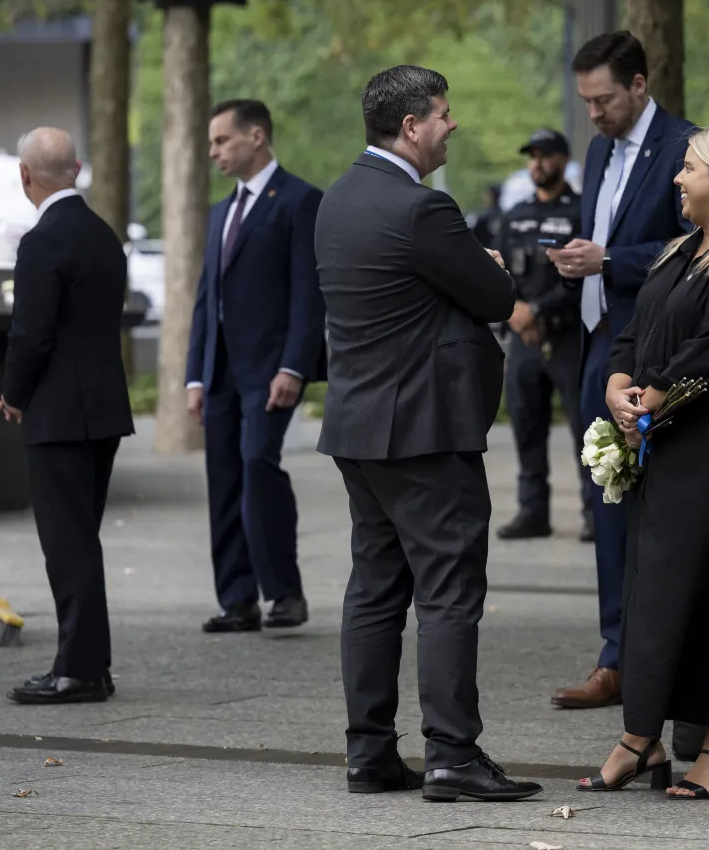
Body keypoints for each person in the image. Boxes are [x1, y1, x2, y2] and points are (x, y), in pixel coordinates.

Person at [315, 65, 541, 802]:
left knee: (375, 590)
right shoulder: (423, 210)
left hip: (358, 426)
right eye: (444, 114)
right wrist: (488, 266)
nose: (452, 124)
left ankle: (369, 752)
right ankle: (452, 754)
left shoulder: (337, 200)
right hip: (425, 429)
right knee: (448, 592)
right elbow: (497, 297)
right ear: (410, 126)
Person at [575, 126, 709, 800]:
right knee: (654, 589)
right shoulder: (678, 250)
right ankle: (643, 737)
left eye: (690, 169)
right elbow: (633, 331)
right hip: (666, 436)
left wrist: (647, 404)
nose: (678, 178)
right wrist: (618, 383)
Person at [547, 30, 695, 710]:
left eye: (603, 99)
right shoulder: (600, 149)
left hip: (655, 352)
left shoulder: (686, 149)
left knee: (659, 508)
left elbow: (694, 245)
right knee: (604, 500)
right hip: (593, 346)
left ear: (639, 85)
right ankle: (616, 655)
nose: (593, 115)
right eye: (585, 102)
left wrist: (610, 260)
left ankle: (663, 655)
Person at [1, 127, 134, 705]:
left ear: (25, 176)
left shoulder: (43, 240)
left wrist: (14, 393)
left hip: (58, 415)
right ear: (76, 169)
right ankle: (90, 664)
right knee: (83, 539)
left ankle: (78, 669)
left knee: (67, 544)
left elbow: (31, 333)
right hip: (104, 410)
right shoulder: (104, 235)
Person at [186, 99, 324, 634]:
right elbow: (207, 298)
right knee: (222, 477)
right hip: (219, 371)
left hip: (269, 371)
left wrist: (294, 365)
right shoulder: (219, 213)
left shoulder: (298, 200)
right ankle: (237, 599)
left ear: (257, 136)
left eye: (222, 140)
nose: (214, 151)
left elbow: (307, 296)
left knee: (256, 467)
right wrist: (195, 375)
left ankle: (284, 593)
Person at [494, 128, 591, 542]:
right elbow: (495, 270)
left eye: (546, 155)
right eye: (532, 156)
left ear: (563, 159)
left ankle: (593, 512)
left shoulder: (580, 212)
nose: (537, 163)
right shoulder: (515, 215)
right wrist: (512, 312)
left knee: (584, 429)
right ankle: (533, 512)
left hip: (566, 336)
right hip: (523, 340)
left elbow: (582, 276)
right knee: (525, 427)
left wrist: (536, 309)